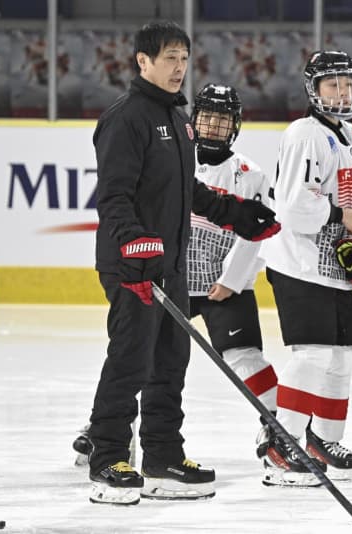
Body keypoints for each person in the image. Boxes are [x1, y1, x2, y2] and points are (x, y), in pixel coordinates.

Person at [88, 21, 280, 505]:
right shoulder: (126, 118)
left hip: (169, 266)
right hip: (134, 268)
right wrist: (135, 249)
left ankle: (162, 458)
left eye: (183, 58)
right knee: (131, 362)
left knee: (170, 364)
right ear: (143, 61)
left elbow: (187, 191)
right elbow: (113, 198)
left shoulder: (176, 119)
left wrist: (237, 214)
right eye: (169, 58)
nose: (178, 68)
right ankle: (108, 457)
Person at [259, 50, 352, 487]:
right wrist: (340, 218)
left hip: (332, 266)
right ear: (314, 91)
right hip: (297, 262)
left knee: (341, 359)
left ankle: (323, 441)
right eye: (332, 85)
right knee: (313, 355)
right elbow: (293, 207)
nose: (342, 92)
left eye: (347, 84)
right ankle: (283, 445)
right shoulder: (303, 134)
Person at [186, 83, 279, 460]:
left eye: (221, 119)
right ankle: (109, 425)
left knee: (245, 356)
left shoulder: (250, 174)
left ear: (235, 125)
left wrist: (230, 280)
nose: (212, 125)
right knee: (140, 353)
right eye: (206, 116)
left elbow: (256, 235)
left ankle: (279, 423)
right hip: (172, 280)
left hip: (222, 286)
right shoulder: (174, 159)